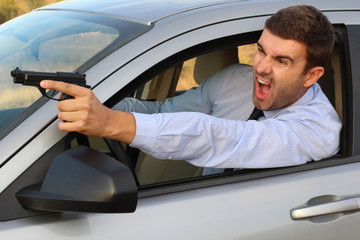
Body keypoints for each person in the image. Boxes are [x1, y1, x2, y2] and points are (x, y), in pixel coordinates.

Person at [40, 5, 342, 171]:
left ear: (311, 76)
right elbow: (162, 111)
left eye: (281, 60)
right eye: (261, 50)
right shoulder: (235, 79)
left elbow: (223, 138)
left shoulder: (317, 131)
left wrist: (111, 123)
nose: (261, 67)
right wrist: (86, 104)